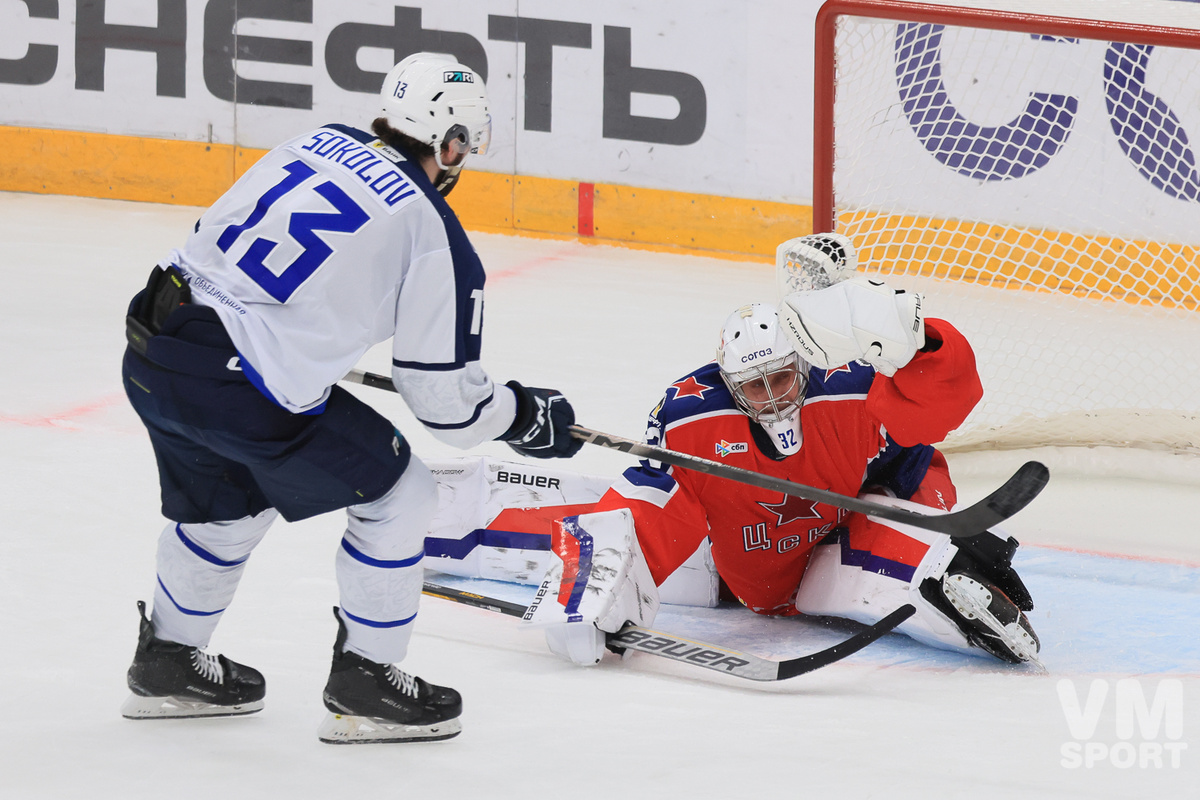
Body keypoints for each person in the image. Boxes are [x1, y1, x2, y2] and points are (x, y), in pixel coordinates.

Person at [119, 52, 582, 744]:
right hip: (238, 384)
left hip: (156, 346)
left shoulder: (314, 142)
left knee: (229, 504)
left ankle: (166, 661)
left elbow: (216, 247)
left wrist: (293, 341)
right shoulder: (434, 232)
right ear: (453, 143)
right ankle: (368, 680)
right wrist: (523, 415)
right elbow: (445, 404)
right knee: (402, 494)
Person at [421, 234, 1042, 669]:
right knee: (588, 530)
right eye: (755, 385)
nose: (773, 397)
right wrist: (585, 595)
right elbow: (647, 503)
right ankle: (438, 514)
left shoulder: (849, 386)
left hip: (860, 511)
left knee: (909, 554)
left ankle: (947, 580)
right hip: (742, 561)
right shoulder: (694, 416)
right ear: (728, 382)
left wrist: (917, 342)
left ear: (805, 363)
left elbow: (936, 411)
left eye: (783, 377)